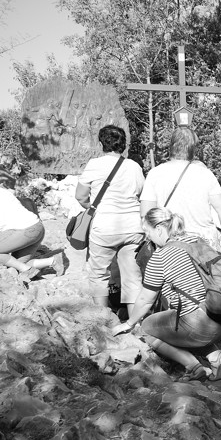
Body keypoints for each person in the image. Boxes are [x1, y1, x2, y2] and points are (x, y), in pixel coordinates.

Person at [111, 208, 221, 381]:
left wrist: (129, 323)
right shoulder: (199, 241)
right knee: (182, 324)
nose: (147, 238)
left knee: (147, 328)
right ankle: (217, 357)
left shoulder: (160, 256)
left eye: (148, 232)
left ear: (159, 229)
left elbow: (146, 299)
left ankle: (193, 366)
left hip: (201, 324)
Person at [75, 125, 144, 313]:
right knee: (132, 276)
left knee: (99, 274)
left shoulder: (94, 164)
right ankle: (134, 321)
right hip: (133, 228)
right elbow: (141, 194)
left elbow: (80, 196)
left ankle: (102, 319)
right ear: (124, 145)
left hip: (105, 227)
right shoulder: (134, 166)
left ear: (101, 144)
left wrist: (92, 208)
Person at [141, 128, 221, 250]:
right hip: (204, 243)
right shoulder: (205, 174)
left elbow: (146, 213)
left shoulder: (154, 174)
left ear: (170, 147)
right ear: (192, 149)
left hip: (170, 242)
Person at [0, 164, 66, 281]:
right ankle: (52, 261)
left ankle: (27, 270)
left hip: (23, 231)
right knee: (15, 264)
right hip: (36, 228)